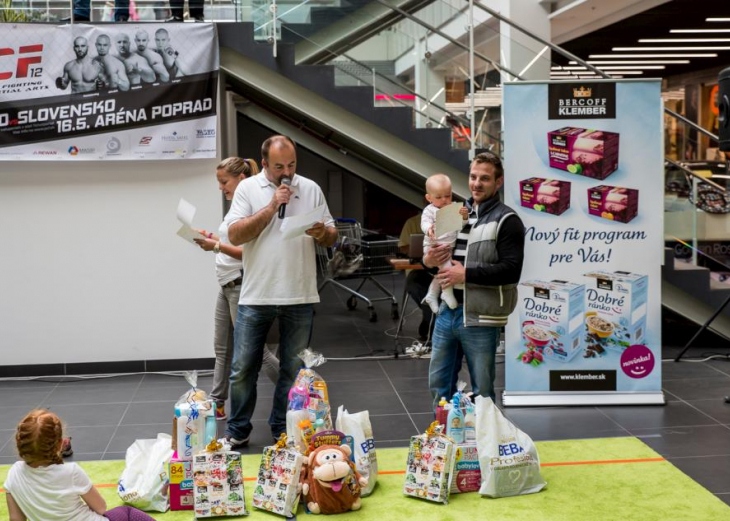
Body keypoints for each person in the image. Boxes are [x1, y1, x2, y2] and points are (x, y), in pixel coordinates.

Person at [224, 135, 337, 446]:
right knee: (243, 368)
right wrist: (273, 205)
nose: (286, 172)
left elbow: (332, 233)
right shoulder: (248, 189)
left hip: (299, 293)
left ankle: (281, 428)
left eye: (291, 165)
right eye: (278, 167)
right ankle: (237, 431)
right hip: (257, 293)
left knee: (293, 369)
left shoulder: (310, 188)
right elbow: (235, 234)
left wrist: (322, 233)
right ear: (264, 164)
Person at [424, 152, 524, 409]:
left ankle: (485, 443)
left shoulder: (507, 220)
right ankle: (444, 438)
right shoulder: (456, 211)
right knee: (439, 384)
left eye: (485, 178)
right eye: (473, 176)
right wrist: (431, 258)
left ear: (498, 182)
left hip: (481, 316)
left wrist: (465, 274)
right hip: (448, 311)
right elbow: (431, 260)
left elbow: (511, 271)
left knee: (483, 391)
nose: (477, 183)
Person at [193, 157, 280, 421]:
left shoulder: (251, 207)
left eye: (224, 182)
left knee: (257, 351)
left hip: (240, 284)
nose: (221, 188)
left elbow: (249, 253)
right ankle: (218, 403)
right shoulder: (236, 208)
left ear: (240, 179)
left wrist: (216, 246)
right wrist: (213, 238)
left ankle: (300, 392)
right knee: (222, 348)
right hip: (227, 284)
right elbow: (231, 240)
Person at [4, 409, 156, 521]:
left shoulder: (14, 473)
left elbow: (16, 519)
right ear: (59, 444)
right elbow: (101, 508)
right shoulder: (70, 472)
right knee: (127, 513)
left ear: (20, 444)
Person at [420, 173, 468, 314]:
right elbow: (424, 223)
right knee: (446, 269)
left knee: (441, 272)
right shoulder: (429, 210)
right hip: (434, 245)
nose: (444, 200)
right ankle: (446, 293)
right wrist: (429, 229)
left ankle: (431, 295)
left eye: (448, 196)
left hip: (449, 246)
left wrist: (464, 216)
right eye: (439, 197)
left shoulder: (453, 207)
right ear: (429, 198)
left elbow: (461, 225)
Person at [398, 212, 433, 341]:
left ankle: (431, 319)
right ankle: (431, 317)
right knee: (414, 283)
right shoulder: (412, 222)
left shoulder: (449, 219)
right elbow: (402, 247)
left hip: (442, 269)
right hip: (419, 269)